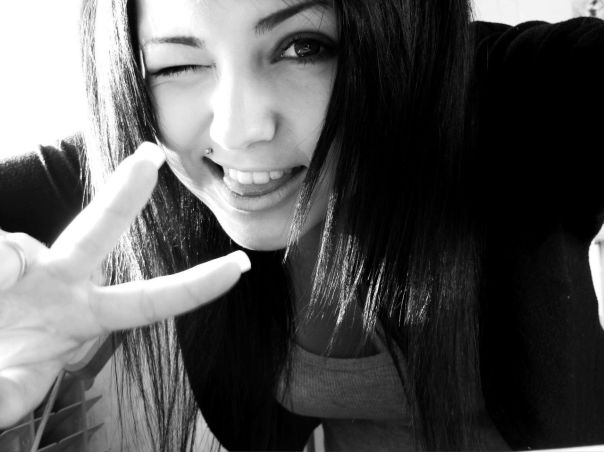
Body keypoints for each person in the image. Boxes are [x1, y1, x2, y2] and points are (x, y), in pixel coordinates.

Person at [1, 0, 604, 451]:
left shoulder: (502, 95)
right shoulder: (141, 155)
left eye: (304, 47)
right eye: (178, 64)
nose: (238, 130)